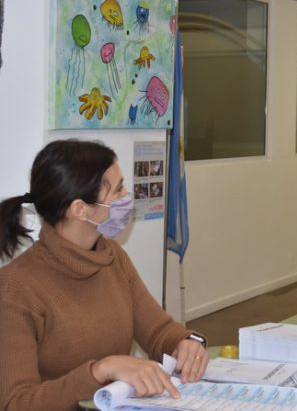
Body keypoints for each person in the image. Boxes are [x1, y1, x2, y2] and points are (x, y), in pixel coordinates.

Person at [0, 139, 209, 411]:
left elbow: (158, 331)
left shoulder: (111, 256)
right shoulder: (15, 287)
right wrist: (99, 371)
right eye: (118, 189)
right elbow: (15, 402)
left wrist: (187, 342)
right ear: (80, 209)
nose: (127, 196)